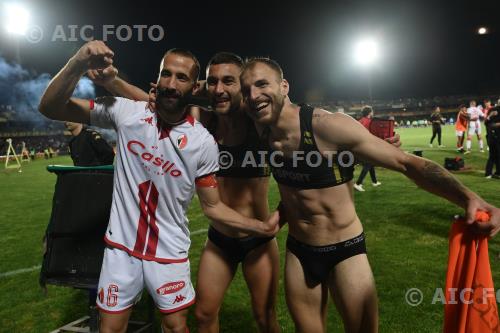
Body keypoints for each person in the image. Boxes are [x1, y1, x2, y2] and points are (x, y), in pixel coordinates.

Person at [239, 57, 500, 333]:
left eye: (262, 84)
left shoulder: (327, 126)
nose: (254, 95)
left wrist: (468, 197)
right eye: (247, 90)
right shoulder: (260, 128)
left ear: (284, 86)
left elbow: (407, 163)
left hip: (345, 250)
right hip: (299, 252)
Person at [38, 41, 279, 333]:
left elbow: (214, 204)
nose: (172, 83)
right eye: (167, 74)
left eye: (183, 78)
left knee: (229, 322)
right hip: (159, 244)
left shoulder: (231, 133)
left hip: (204, 246)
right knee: (135, 325)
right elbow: (53, 107)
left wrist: (265, 227)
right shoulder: (147, 116)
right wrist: (85, 65)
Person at [353, 106, 381, 192]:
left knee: (370, 163)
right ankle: (358, 184)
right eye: (372, 111)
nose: (373, 112)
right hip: (367, 144)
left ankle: (374, 182)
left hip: (358, 144)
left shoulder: (359, 121)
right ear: (370, 113)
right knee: (368, 163)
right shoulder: (370, 122)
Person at [485, 106, 500, 179]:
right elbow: (488, 123)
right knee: (493, 155)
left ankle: (497, 172)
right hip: (493, 137)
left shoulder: (492, 110)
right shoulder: (493, 110)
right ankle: (488, 173)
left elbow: (486, 122)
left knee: (496, 155)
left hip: (492, 137)